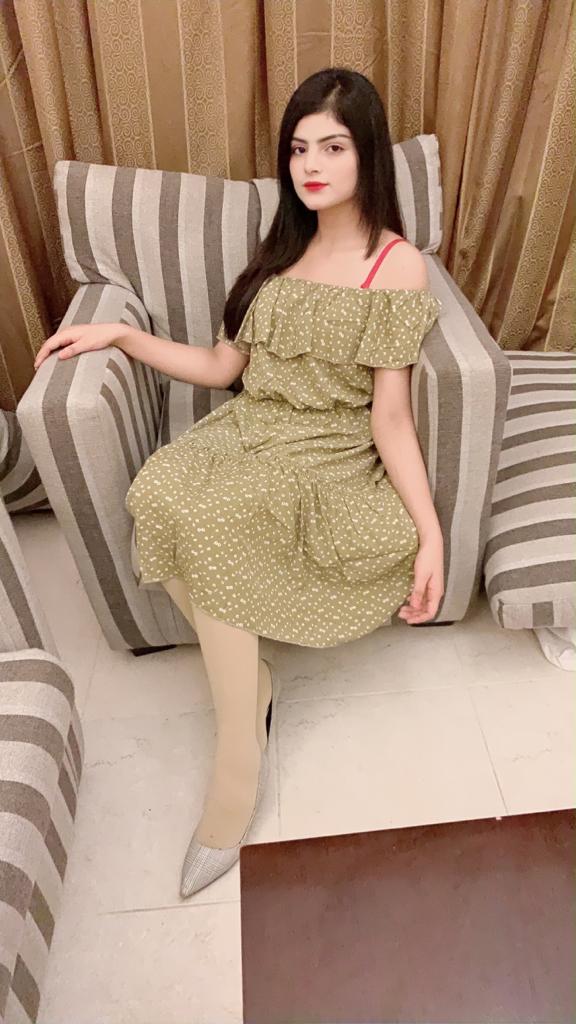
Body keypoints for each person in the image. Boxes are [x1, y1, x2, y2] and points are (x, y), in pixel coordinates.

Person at [33, 67, 445, 899]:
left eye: (333, 147)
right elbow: (224, 368)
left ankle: (236, 770)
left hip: (327, 454)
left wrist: (430, 532)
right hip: (251, 429)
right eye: (298, 148)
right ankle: (252, 686)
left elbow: (391, 417)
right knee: (160, 494)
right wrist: (121, 337)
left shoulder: (396, 266)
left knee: (216, 522)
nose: (311, 165)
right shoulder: (283, 250)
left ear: (367, 153)